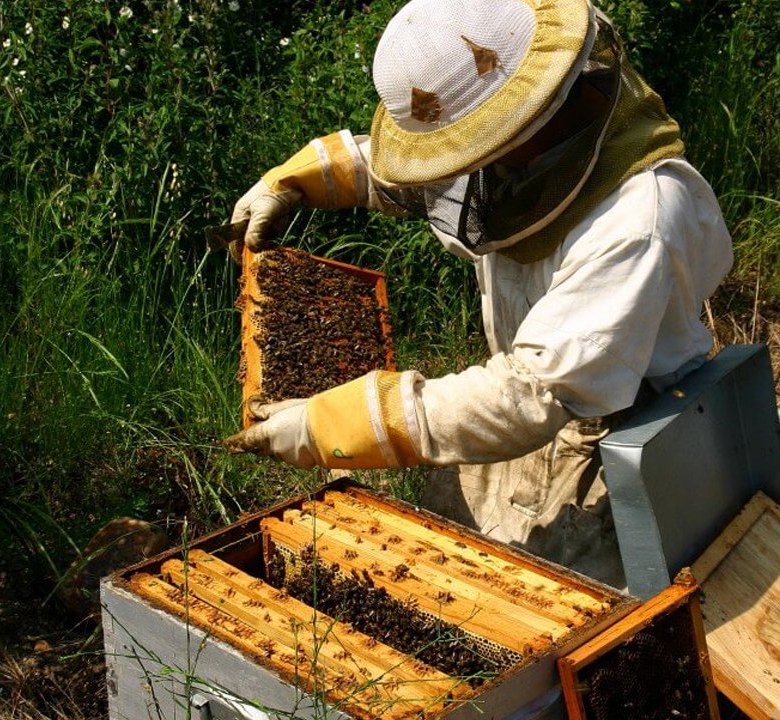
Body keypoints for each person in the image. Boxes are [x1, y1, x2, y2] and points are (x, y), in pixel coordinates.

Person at [223, 0, 732, 588]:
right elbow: (419, 174)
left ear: (527, 113)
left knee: (563, 619)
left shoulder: (638, 217)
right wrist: (301, 178)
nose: (463, 168)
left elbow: (535, 393)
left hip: (615, 437)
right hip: (526, 408)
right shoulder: (528, 139)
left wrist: (336, 425)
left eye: (476, 146)